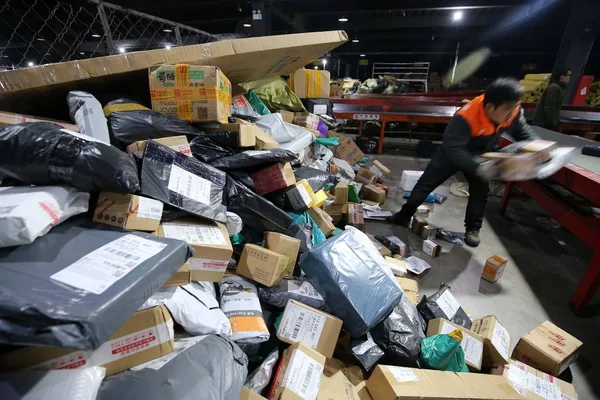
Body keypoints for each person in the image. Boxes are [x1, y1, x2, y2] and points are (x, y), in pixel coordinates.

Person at [389, 78, 539, 247]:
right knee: (425, 184)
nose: (512, 113)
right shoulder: (465, 117)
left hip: (481, 154)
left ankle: (472, 229)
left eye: (514, 108)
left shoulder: (512, 110)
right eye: (508, 109)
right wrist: (480, 166)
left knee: (480, 194)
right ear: (490, 107)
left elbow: (524, 133)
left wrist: (537, 147)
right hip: (452, 153)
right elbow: (454, 148)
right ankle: (404, 215)